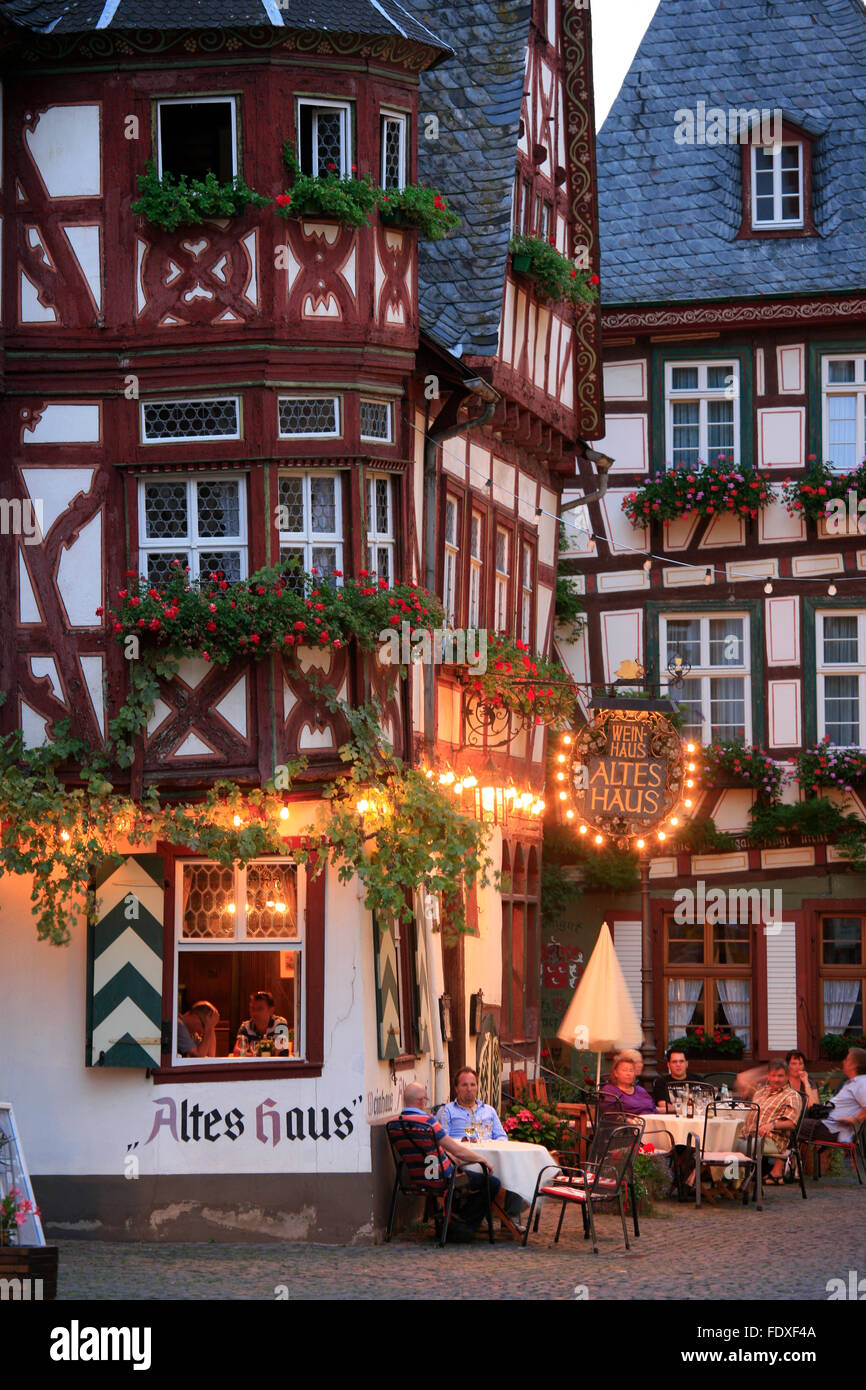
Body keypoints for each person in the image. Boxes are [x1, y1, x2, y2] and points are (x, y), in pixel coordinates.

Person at [396, 1082, 500, 1239]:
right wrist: (482, 1160)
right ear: (422, 1100)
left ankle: (453, 1222)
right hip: (442, 1178)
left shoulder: (396, 1123)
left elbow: (427, 1150)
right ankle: (464, 1226)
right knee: (491, 1183)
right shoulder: (428, 1122)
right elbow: (457, 1150)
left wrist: (448, 1156)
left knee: (464, 1177)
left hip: (417, 1177)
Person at [737, 1059, 800, 1182]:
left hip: (772, 1140)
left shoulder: (791, 1095)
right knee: (724, 1143)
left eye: (780, 1076)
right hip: (749, 1135)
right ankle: (730, 1181)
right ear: (768, 1076)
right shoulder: (760, 1093)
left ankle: (739, 1182)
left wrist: (772, 1125)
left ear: (787, 1077)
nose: (776, 1079)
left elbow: (792, 1123)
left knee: (738, 1147)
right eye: (773, 1075)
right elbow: (742, 1078)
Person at [800, 1047, 866, 1147]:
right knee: (794, 1121)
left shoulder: (861, 1083)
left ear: (853, 1065)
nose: (843, 1062)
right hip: (828, 1125)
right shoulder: (852, 1083)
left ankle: (782, 1162)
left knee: (792, 1126)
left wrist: (854, 1120)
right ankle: (791, 1160)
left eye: (846, 1060)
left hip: (832, 1129)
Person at [436, 1066, 509, 1140]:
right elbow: (442, 1141)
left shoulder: (489, 1110)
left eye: (472, 1085)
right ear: (456, 1088)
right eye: (464, 1085)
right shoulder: (446, 1111)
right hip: (461, 1150)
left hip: (487, 1150)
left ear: (477, 1087)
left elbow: (502, 1136)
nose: (469, 1089)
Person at [234, 990, 289, 1055]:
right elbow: (237, 1051)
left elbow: (280, 1050)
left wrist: (253, 1055)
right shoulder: (246, 1027)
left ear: (271, 1010)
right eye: (252, 1008)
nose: (255, 1013)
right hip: (254, 1065)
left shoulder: (280, 1024)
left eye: (260, 1009)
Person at [651, 1044, 691, 1110]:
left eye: (681, 1061)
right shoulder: (661, 1082)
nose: (678, 1065)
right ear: (668, 1065)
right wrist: (682, 1111)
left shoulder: (698, 1080)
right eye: (674, 1062)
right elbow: (662, 1104)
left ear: (686, 1063)